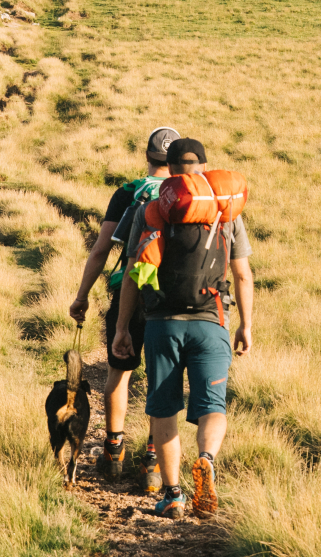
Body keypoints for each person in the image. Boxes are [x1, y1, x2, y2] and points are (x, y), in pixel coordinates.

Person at [111, 138, 255, 520]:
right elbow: (242, 273)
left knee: (164, 408)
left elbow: (132, 274)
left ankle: (172, 493)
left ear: (170, 170)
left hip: (163, 324)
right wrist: (246, 325)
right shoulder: (228, 211)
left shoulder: (151, 209)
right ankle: (206, 458)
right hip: (213, 322)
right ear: (204, 167)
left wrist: (123, 327)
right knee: (212, 405)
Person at [69, 126, 180, 480]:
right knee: (161, 379)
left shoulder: (129, 192)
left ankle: (113, 453)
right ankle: (151, 461)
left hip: (129, 291)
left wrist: (82, 295)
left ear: (147, 156)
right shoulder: (187, 195)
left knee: (119, 371)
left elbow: (101, 248)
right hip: (169, 298)